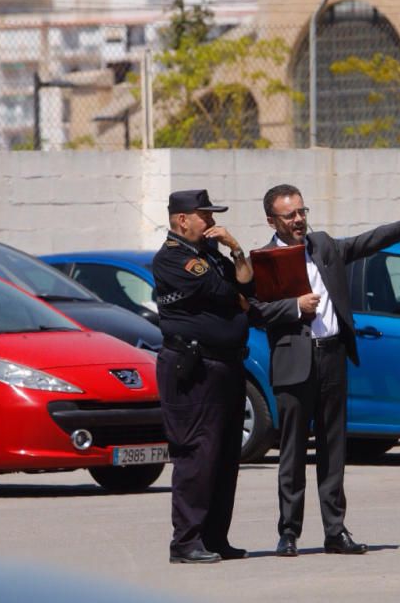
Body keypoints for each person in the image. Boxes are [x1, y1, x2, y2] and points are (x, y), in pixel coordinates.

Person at [248, 184, 400, 557]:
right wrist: (294, 306)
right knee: (291, 450)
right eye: (290, 215)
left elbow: (368, 242)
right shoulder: (267, 259)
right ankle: (288, 532)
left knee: (333, 448)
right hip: (293, 363)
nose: (299, 220)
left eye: (302, 212)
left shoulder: (323, 246)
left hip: (332, 357)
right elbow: (255, 311)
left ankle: (335, 531)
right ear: (272, 219)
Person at [152, 189, 253, 564]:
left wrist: (236, 249)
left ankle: (214, 537)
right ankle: (186, 541)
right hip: (194, 367)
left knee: (226, 456)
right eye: (204, 216)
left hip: (227, 364)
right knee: (197, 453)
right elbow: (225, 293)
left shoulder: (211, 254)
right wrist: (238, 295)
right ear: (183, 220)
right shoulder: (171, 258)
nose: (211, 222)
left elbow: (246, 285)